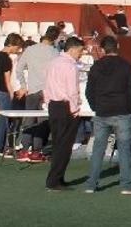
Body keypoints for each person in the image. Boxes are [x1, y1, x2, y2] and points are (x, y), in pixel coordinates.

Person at [83, 35, 131, 194]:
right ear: (118, 46)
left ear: (102, 49)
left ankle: (91, 184)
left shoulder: (96, 66)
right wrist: (129, 108)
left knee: (98, 149)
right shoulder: (126, 66)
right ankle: (126, 185)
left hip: (102, 112)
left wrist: (96, 106)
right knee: (124, 149)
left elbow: (89, 91)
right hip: (122, 111)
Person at [12, 26, 59, 163]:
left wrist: (23, 86)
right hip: (47, 91)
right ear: (55, 38)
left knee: (29, 119)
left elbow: (19, 69)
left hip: (32, 90)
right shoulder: (55, 52)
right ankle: (37, 152)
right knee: (42, 121)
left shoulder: (30, 50)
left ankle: (25, 150)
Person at [44, 36, 84, 191]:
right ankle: (55, 180)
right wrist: (74, 109)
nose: (80, 54)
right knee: (65, 146)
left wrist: (48, 102)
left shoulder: (53, 63)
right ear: (72, 49)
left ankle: (57, 177)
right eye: (80, 51)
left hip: (54, 105)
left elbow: (46, 85)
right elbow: (72, 91)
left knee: (57, 143)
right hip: (66, 107)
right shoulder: (70, 66)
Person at [0, 33, 21, 158]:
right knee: (4, 121)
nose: (18, 50)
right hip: (3, 91)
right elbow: (7, 79)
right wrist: (11, 93)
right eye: (17, 47)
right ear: (12, 45)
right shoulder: (6, 59)